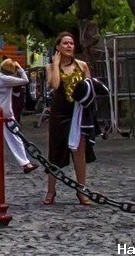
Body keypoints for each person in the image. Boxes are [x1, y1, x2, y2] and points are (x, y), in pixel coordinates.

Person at [45, 31, 95, 205]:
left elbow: (89, 88)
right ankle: (51, 191)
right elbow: (55, 84)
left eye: (71, 43)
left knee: (79, 152)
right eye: (65, 43)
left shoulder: (82, 66)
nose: (69, 46)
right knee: (55, 152)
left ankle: (81, 190)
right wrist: (56, 63)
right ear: (57, 47)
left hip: (78, 113)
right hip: (59, 113)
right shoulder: (52, 66)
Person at [0, 58, 38, 174]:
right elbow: (25, 80)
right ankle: (25, 163)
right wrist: (20, 68)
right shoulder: (6, 79)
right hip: (5, 113)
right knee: (15, 138)